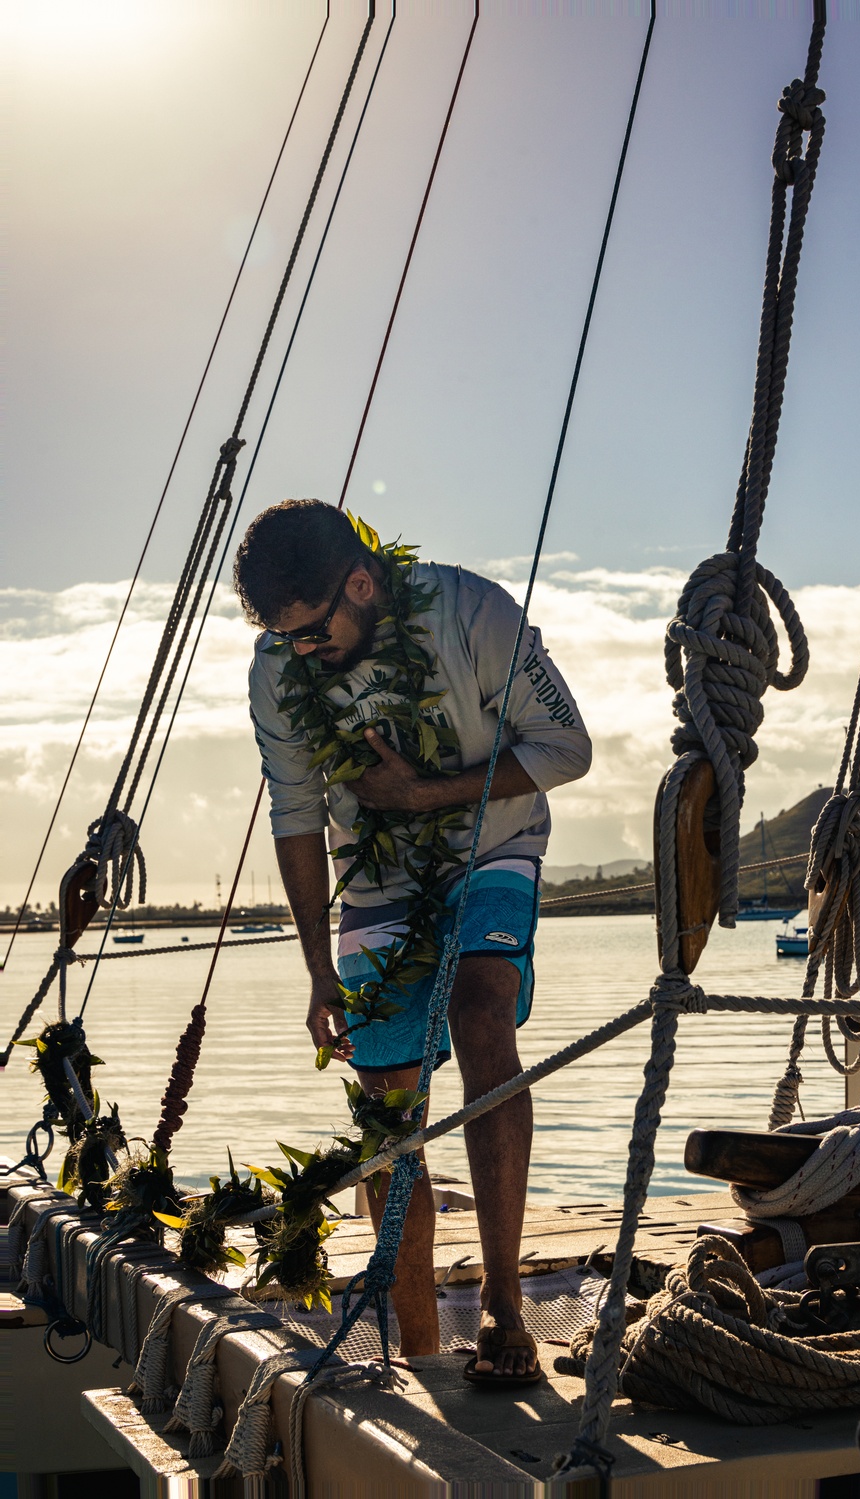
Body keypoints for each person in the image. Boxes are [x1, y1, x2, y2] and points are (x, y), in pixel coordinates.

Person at [233, 499, 591, 1384]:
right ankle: (420, 1338)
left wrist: (432, 795)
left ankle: (507, 1307)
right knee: (387, 1106)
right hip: (377, 881)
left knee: (479, 1012)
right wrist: (319, 972)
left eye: (315, 631)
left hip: (492, 842)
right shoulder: (280, 666)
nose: (304, 653)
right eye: (288, 638)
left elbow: (569, 746)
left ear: (361, 580)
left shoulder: (472, 614)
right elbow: (295, 814)